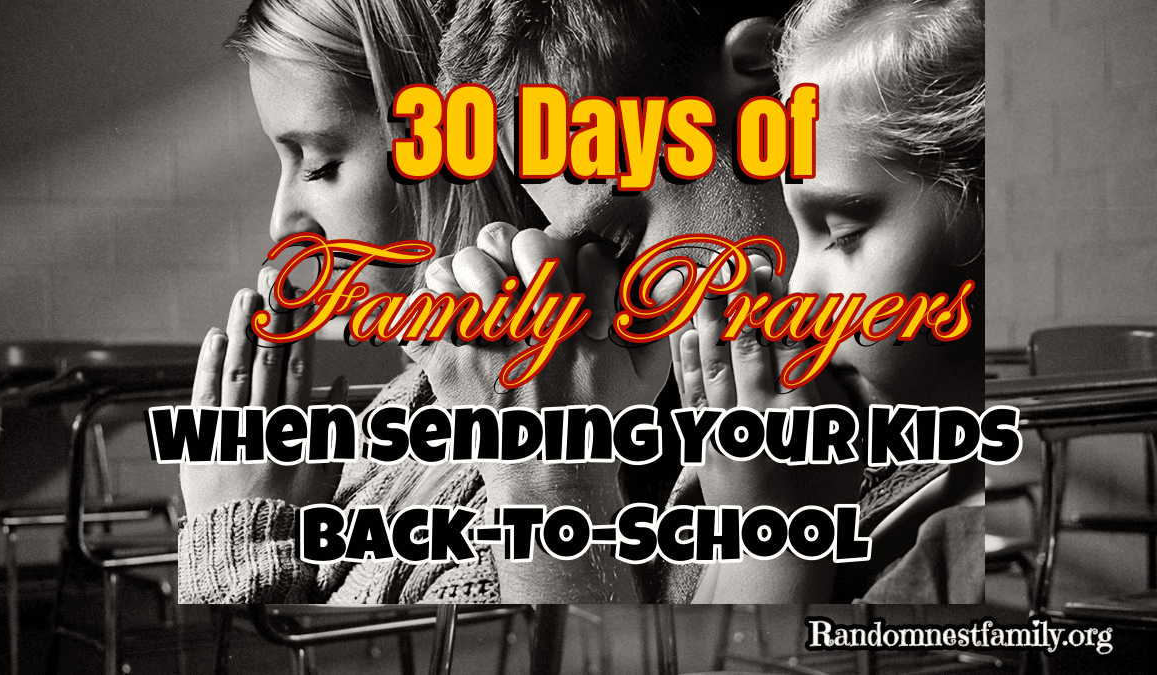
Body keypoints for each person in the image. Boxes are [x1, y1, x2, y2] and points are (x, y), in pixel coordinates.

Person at [421, 0, 983, 602]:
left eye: (622, 236)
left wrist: (550, 483)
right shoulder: (739, 457)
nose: (625, 300)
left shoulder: (933, 501)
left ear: (765, 82)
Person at [178, 0, 531, 603]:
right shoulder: (404, 409)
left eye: (316, 163)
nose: (280, 222)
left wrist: (235, 540)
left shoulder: (514, 506)